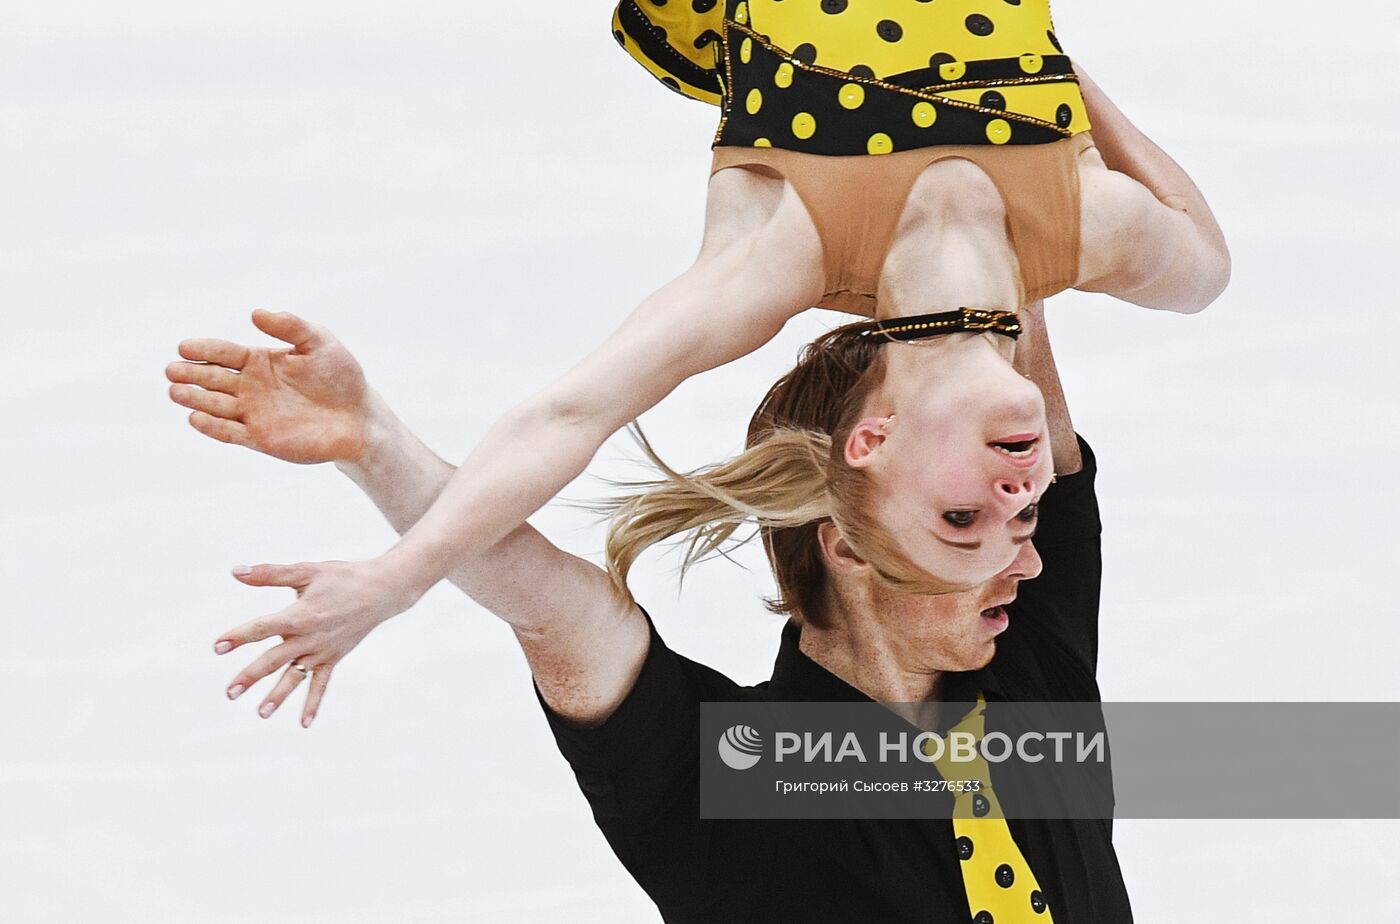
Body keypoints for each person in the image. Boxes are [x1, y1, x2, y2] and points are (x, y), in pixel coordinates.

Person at [167, 2, 1228, 640]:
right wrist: (1062, 74)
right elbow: (1208, 264)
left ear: (872, 443)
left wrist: (397, 580)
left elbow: (566, 416)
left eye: (959, 519)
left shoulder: (784, 252)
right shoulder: (1083, 224)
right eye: (1022, 520)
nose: (1013, 501)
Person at [167, 303, 1129, 920]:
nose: (1029, 555)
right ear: (848, 543)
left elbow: (1013, 350)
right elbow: (550, 605)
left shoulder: (1025, 663)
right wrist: (371, 442)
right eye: (967, 512)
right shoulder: (727, 775)